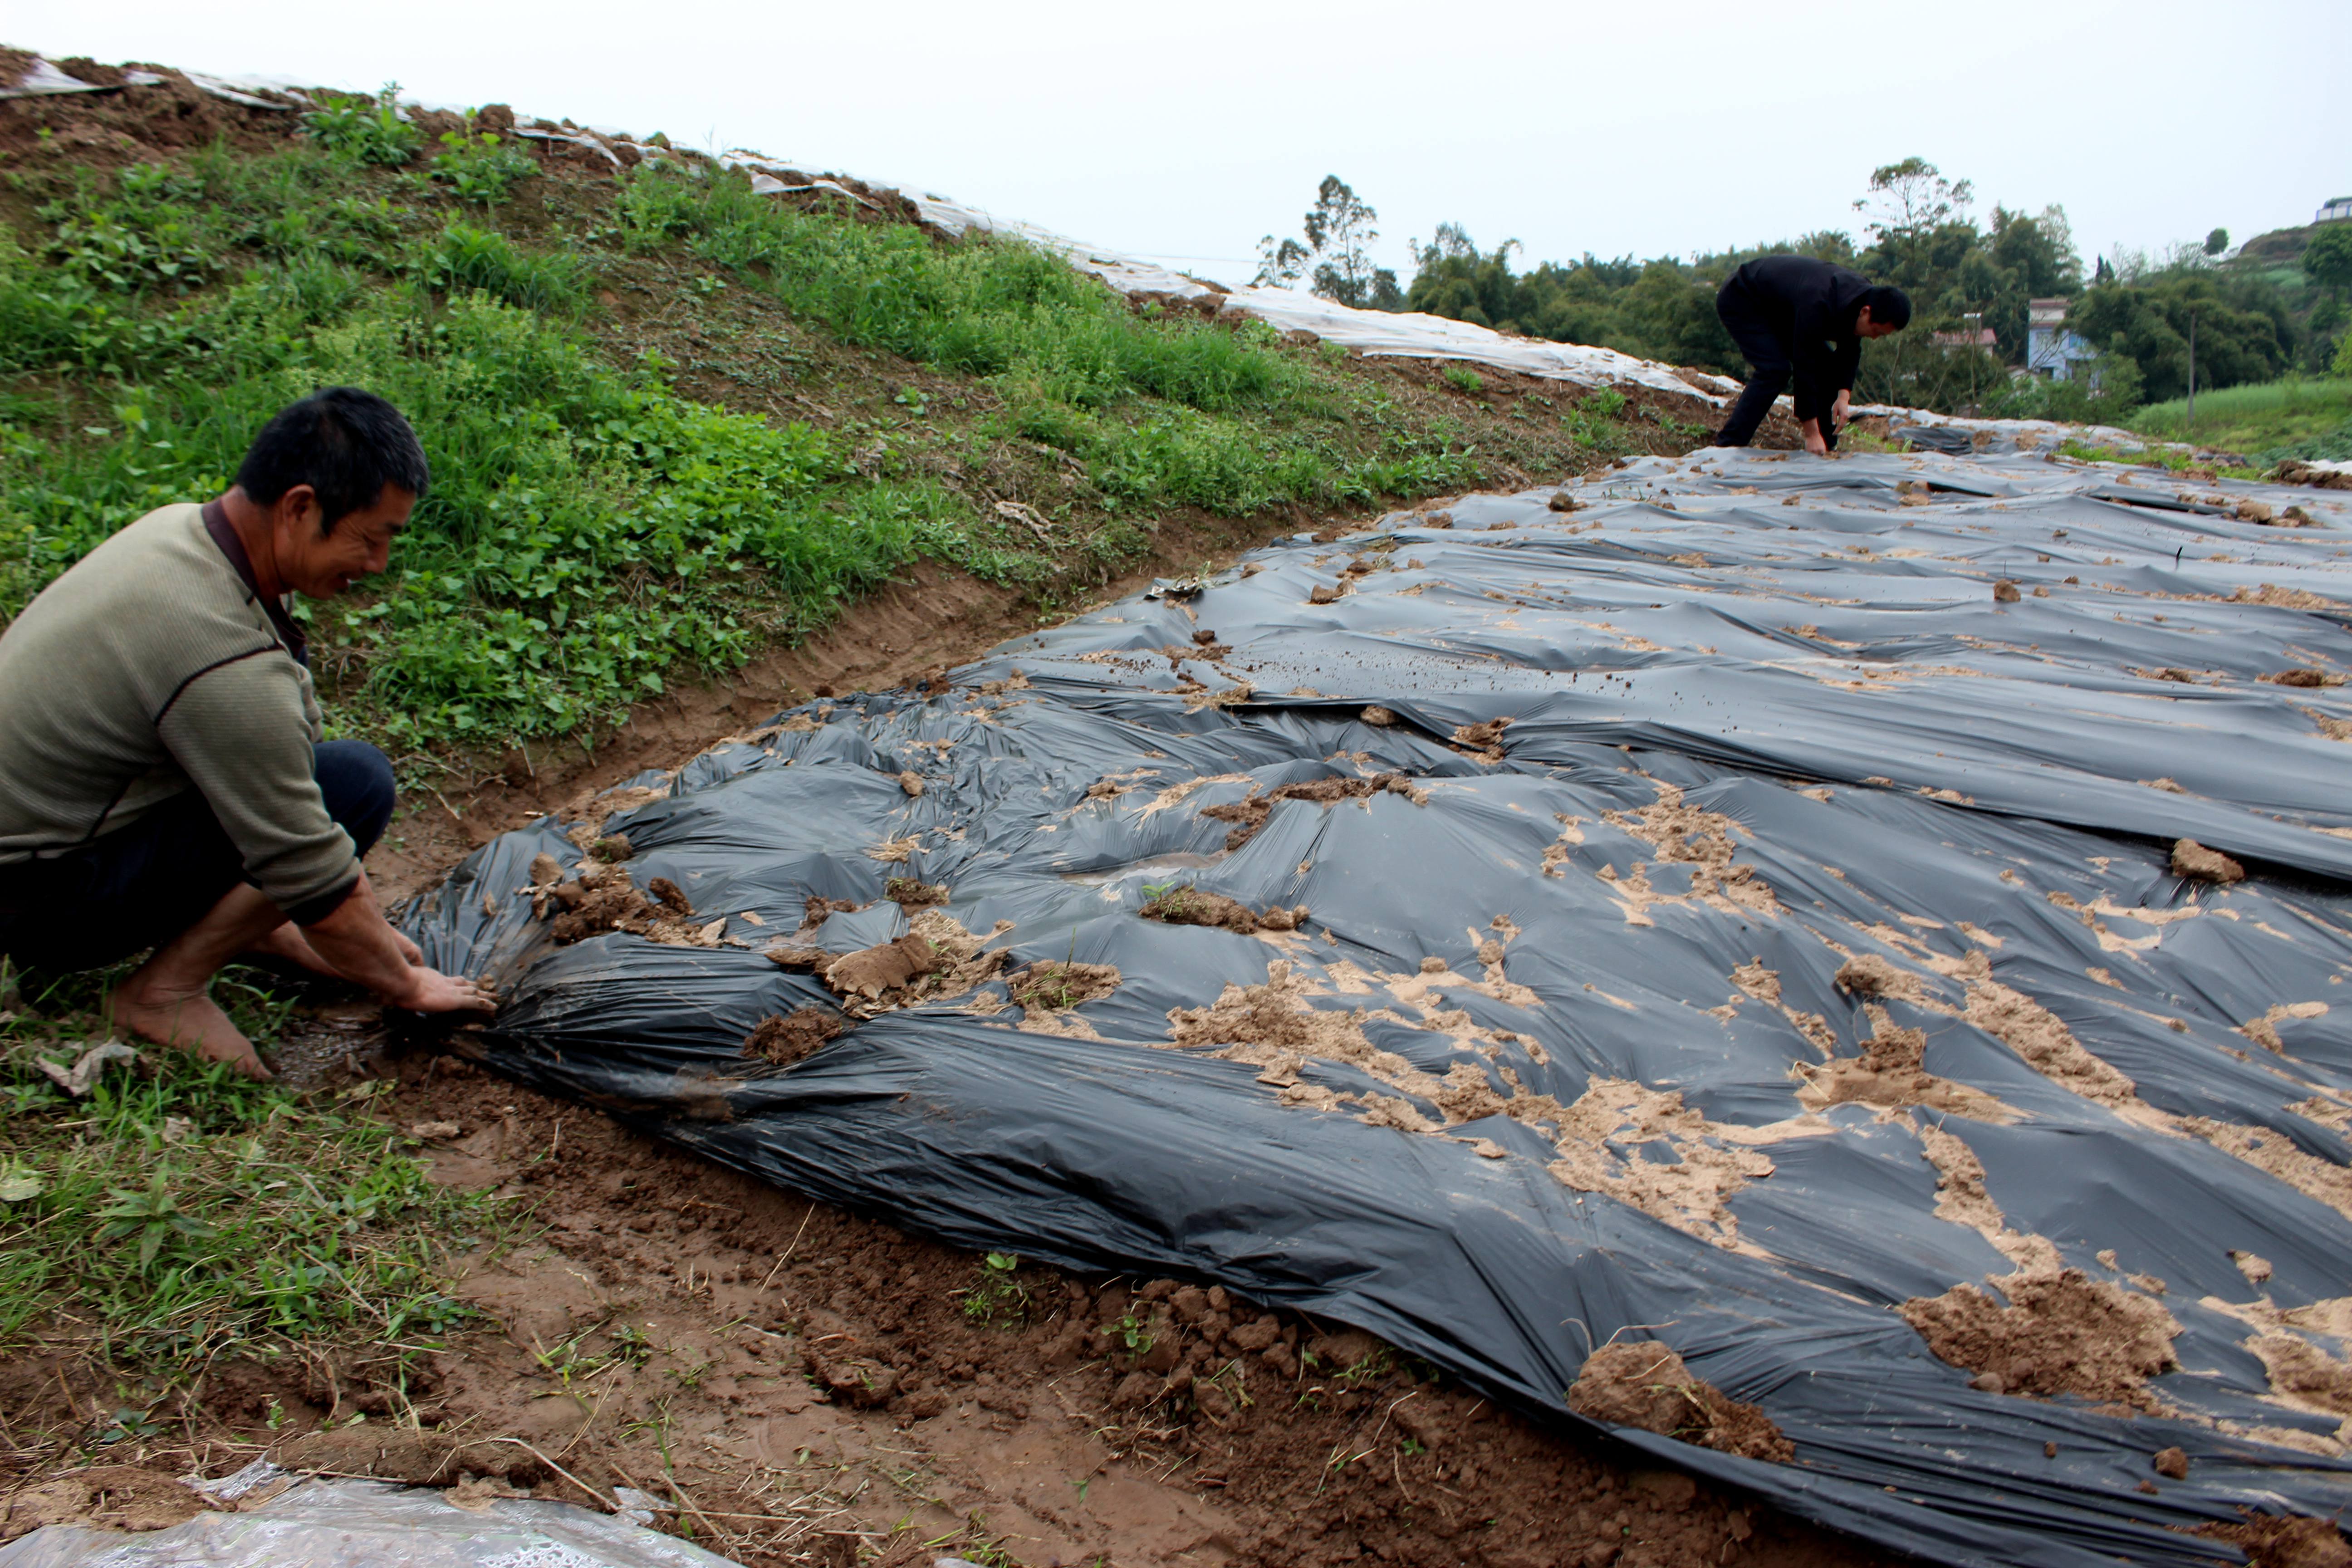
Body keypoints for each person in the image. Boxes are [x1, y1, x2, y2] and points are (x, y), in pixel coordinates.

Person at [0, 387, 494, 1078]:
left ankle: (262, 934)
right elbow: (307, 859)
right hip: (45, 904)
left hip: (47, 845)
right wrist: (403, 982)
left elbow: (275, 755)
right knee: (351, 788)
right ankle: (163, 991)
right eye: (370, 535)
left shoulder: (185, 533)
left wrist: (349, 927)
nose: (378, 562)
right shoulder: (216, 651)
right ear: (299, 506)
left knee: (317, 783)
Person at [1711, 256, 1911, 453]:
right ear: (1866, 312)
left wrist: (1843, 396)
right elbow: (1804, 365)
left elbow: (1850, 349)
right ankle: (1729, 445)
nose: (1875, 338)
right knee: (1774, 371)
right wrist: (1810, 434)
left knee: (1828, 367)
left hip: (1783, 310)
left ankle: (1827, 445)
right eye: (1877, 332)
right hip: (1743, 299)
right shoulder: (1820, 301)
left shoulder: (1862, 297)